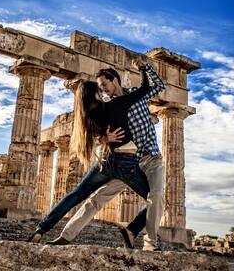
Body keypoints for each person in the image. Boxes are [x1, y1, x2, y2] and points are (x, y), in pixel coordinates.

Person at [28, 59, 152, 245]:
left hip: (104, 162)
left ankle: (41, 228)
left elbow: (96, 138)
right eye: (100, 90)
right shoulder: (115, 104)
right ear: (95, 94)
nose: (103, 92)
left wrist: (104, 139)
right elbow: (144, 89)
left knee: (75, 195)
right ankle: (132, 229)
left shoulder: (87, 116)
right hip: (126, 163)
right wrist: (142, 69)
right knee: (156, 200)